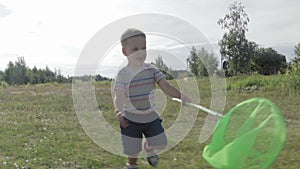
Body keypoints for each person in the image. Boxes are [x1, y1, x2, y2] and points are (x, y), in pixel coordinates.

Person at [113, 28, 190, 169]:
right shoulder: (123, 74)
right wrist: (118, 112)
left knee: (161, 142)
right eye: (135, 49)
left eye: (144, 48)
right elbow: (119, 95)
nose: (141, 52)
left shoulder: (152, 70)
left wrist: (180, 96)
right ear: (125, 52)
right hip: (130, 118)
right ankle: (131, 165)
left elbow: (166, 86)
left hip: (150, 117)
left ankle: (149, 149)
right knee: (132, 151)